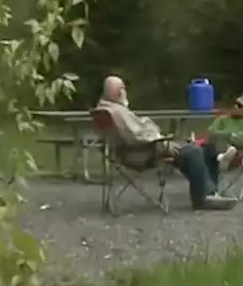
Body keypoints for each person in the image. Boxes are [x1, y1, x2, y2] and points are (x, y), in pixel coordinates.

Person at [95, 76, 235, 211]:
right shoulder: (117, 112)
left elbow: (134, 133)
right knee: (194, 151)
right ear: (120, 91)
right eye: (123, 89)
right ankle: (205, 197)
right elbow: (138, 136)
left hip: (133, 151)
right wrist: (160, 139)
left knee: (197, 149)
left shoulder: (105, 109)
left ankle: (211, 192)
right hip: (143, 153)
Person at [198, 95, 243, 193]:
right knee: (210, 147)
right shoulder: (223, 119)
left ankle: (212, 188)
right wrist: (229, 134)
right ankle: (222, 156)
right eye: (234, 103)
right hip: (217, 147)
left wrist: (223, 134)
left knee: (211, 153)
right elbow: (211, 132)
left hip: (236, 154)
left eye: (239, 105)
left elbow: (241, 140)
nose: (235, 106)